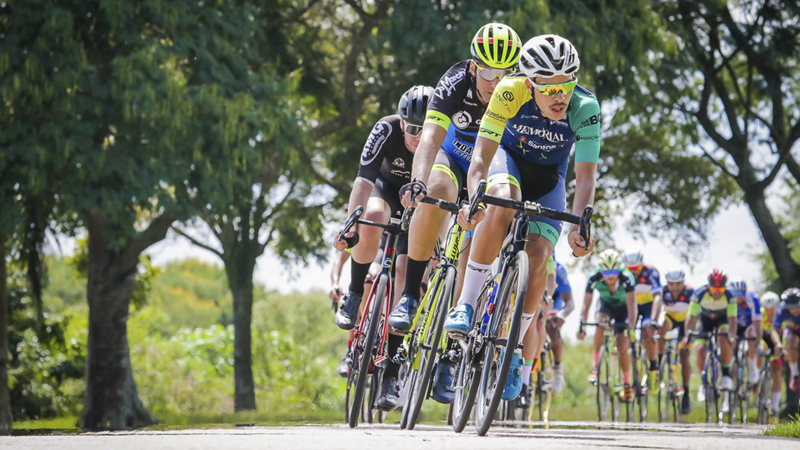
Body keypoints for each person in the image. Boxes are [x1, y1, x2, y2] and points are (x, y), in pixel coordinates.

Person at [447, 33, 599, 402]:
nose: (560, 96)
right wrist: (475, 198)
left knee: (540, 255)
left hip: (550, 177)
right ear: (530, 84)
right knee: (500, 200)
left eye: (566, 86)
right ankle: (466, 303)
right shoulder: (509, 91)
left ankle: (515, 353)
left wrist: (580, 225)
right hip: (508, 161)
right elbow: (481, 157)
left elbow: (586, 176)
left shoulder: (586, 106)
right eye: (549, 89)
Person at [333, 85, 434, 410]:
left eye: (426, 129)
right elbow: (363, 181)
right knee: (373, 214)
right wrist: (351, 226)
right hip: (387, 193)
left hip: (420, 208)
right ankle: (354, 294)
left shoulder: (442, 141)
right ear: (402, 122)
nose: (418, 137)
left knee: (407, 271)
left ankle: (391, 371)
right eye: (412, 128)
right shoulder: (386, 128)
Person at [578, 249, 637, 401]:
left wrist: (631, 328)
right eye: (606, 270)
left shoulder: (627, 278)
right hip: (605, 306)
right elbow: (586, 305)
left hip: (623, 309)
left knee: (623, 345)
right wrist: (582, 326)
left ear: (620, 269)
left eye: (614, 270)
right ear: (601, 269)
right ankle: (595, 368)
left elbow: (632, 307)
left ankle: (627, 383)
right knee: (600, 324)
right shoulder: (593, 277)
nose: (610, 275)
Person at [682, 269, 737, 402]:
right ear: (708, 286)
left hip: (722, 320)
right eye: (714, 288)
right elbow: (691, 317)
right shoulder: (699, 294)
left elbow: (732, 319)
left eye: (721, 289)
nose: (717, 292)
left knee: (724, 338)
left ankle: (725, 375)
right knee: (700, 348)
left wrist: (733, 336)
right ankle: (703, 382)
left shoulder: (730, 295)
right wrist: (687, 335)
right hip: (705, 321)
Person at [621, 250, 662, 395]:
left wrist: (655, 320)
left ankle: (653, 366)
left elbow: (658, 297)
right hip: (631, 307)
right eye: (629, 269)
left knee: (646, 330)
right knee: (623, 332)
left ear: (642, 265)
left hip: (647, 308)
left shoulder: (651, 272)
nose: (634, 272)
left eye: (637, 269)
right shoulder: (622, 274)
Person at [655, 270, 694, 414]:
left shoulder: (690, 293)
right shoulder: (663, 292)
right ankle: (659, 363)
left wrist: (689, 335)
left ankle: (686, 391)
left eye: (678, 284)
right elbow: (658, 305)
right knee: (660, 329)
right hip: (671, 320)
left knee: (684, 355)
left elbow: (695, 313)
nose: (675, 287)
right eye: (672, 284)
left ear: (683, 283)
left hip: (686, 323)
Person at [545, 256, 574, 393]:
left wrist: (562, 314)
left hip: (554, 301)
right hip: (537, 296)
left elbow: (570, 302)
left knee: (551, 326)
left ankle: (557, 368)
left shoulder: (559, 270)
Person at [730, 280, 763, 384]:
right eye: (735, 293)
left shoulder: (753, 299)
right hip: (735, 325)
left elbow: (757, 322)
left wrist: (758, 340)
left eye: (741, 293)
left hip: (750, 325)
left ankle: (753, 367)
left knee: (751, 334)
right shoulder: (728, 300)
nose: (738, 297)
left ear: (746, 292)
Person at [759, 291, 782, 423]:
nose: (769, 312)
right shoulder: (760, 314)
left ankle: (774, 410)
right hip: (763, 341)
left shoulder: (780, 316)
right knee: (757, 350)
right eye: (766, 309)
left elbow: (782, 334)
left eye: (772, 309)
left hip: (777, 343)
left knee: (777, 371)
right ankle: (755, 378)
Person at [772, 288, 800, 392]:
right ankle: (795, 374)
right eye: (790, 307)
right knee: (791, 339)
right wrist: (778, 344)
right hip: (792, 332)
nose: (794, 310)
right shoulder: (782, 308)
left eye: (796, 306)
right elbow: (775, 330)